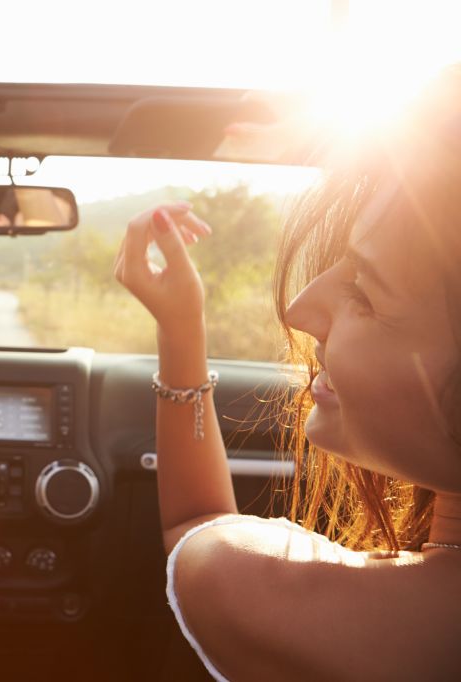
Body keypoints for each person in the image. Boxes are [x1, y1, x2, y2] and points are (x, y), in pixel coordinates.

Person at [114, 66, 461, 680]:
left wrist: (180, 326)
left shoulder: (298, 607)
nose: (301, 311)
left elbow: (198, 529)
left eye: (366, 293)